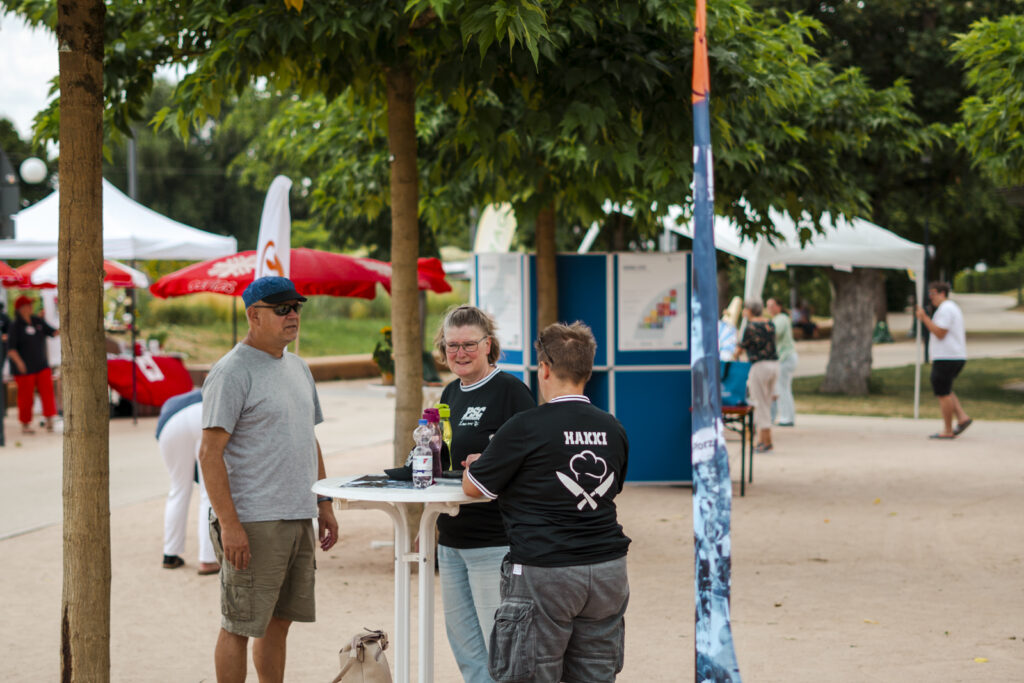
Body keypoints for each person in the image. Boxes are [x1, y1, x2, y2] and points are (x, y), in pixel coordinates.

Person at [463, 321, 630, 683]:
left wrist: (480, 461)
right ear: (587, 370)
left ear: (544, 369)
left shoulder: (525, 426)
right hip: (607, 571)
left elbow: (475, 488)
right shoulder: (613, 427)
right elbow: (611, 489)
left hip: (545, 570)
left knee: (531, 673)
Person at [199, 276, 339, 683]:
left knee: (280, 622)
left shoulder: (297, 366)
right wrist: (229, 525)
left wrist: (324, 503)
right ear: (253, 316)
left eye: (296, 307)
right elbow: (209, 454)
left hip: (297, 514)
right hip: (253, 521)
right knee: (240, 625)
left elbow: (307, 438)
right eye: (282, 309)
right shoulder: (231, 372)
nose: (292, 315)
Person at [433, 304, 535, 683]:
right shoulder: (449, 392)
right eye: (451, 345)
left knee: (502, 648)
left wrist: (494, 459)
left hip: (494, 542)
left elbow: (535, 459)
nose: (459, 353)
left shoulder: (511, 390)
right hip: (451, 538)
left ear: (488, 344)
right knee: (466, 649)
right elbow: (443, 461)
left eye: (468, 345)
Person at [156, 388, 219, 575]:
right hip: (205, 414)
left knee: (177, 489)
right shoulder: (216, 394)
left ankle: (170, 554)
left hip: (169, 422)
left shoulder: (180, 397)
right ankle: (207, 559)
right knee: (209, 492)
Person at [915, 281, 972, 439]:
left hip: (948, 356)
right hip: (951, 355)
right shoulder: (948, 308)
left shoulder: (946, 309)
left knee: (943, 392)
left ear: (942, 293)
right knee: (945, 388)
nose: (931, 297)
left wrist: (924, 318)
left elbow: (940, 332)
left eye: (933, 293)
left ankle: (947, 430)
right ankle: (962, 417)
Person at [7, 295, 59, 434]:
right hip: (24, 369)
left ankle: (49, 420)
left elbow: (53, 332)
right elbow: (11, 349)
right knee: (25, 397)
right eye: (28, 305)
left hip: (41, 365)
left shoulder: (37, 321)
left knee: (47, 393)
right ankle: (25, 424)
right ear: (21, 309)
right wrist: (19, 363)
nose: (31, 307)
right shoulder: (15, 326)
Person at [734, 300, 778, 453]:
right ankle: (764, 439)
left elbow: (740, 348)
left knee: (759, 403)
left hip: (759, 366)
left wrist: (732, 357)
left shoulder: (750, 327)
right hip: (774, 365)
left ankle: (766, 442)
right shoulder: (770, 324)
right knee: (766, 402)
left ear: (750, 311)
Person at [766, 298, 798, 427]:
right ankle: (784, 416)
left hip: (786, 358)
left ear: (779, 306)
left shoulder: (781, 319)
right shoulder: (776, 319)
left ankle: (787, 418)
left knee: (782, 388)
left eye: (772, 305)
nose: (770, 308)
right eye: (768, 306)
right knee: (782, 388)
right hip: (784, 358)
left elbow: (774, 333)